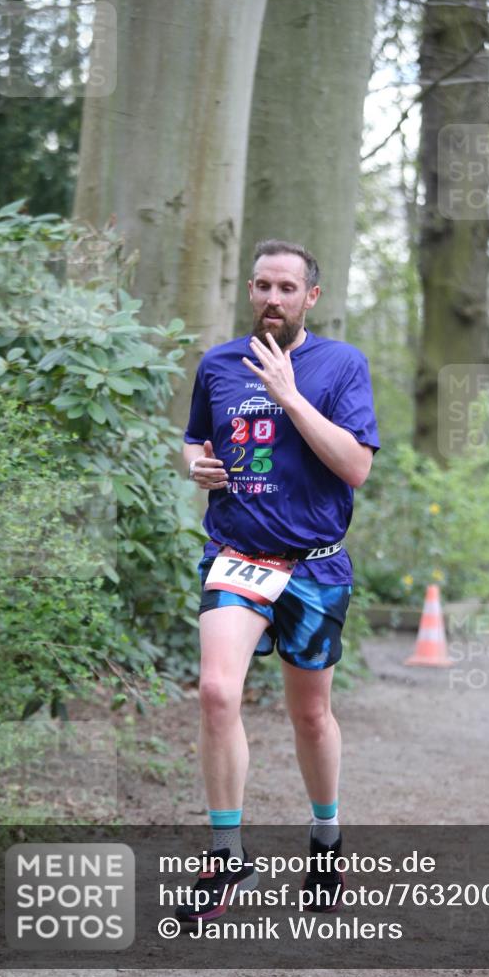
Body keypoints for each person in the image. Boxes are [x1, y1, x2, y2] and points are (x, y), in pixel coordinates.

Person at [177, 239, 379, 922]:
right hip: (238, 554)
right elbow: (196, 439)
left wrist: (290, 397)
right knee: (214, 691)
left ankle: (325, 839)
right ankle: (227, 856)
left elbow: (355, 468)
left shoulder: (341, 366)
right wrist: (193, 465)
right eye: (261, 285)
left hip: (315, 563)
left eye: (285, 288)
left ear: (309, 298)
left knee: (310, 715)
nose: (271, 297)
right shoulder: (218, 364)